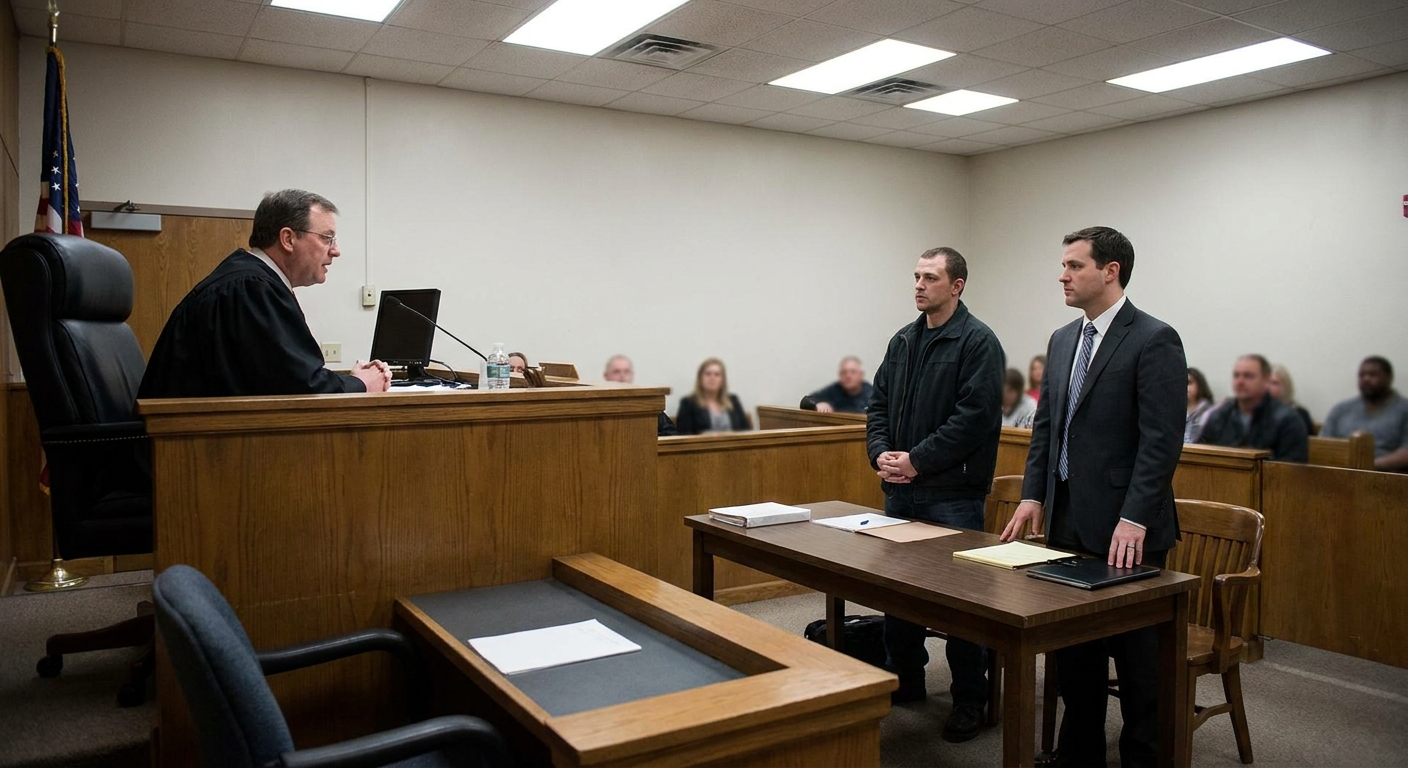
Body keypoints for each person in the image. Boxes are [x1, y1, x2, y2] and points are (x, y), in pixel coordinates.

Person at [1001, 227, 1186, 768]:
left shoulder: (1154, 338)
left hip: (1128, 530)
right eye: (1063, 265)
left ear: (1110, 271)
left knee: (1137, 662)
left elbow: (1160, 441)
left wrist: (1136, 517)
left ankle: (1143, 759)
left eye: (1074, 265)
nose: (1062, 275)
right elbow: (1047, 427)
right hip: (1066, 520)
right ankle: (1079, 755)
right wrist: (1033, 494)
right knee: (1075, 655)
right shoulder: (1063, 339)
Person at [866, 246, 1004, 742]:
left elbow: (973, 420)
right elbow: (878, 405)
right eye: (916, 276)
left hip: (951, 495)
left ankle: (969, 697)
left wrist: (916, 460)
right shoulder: (903, 339)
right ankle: (907, 680)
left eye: (930, 277)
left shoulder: (977, 341)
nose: (919, 285)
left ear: (957, 285)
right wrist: (882, 454)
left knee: (960, 602)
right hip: (901, 491)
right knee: (899, 593)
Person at [140, 189, 390, 398]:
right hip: (188, 438)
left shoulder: (250, 281)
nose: (336, 251)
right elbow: (299, 389)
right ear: (288, 239)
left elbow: (285, 376)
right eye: (327, 238)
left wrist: (352, 380)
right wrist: (362, 384)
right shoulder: (250, 288)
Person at [1198, 355, 1308, 462]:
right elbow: (1201, 455)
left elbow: (1291, 466)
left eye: (1248, 376)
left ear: (1266, 380)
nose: (1240, 382)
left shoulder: (1288, 420)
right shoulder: (1220, 415)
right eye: (1236, 375)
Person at [1322, 356, 1408, 472]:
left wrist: (1366, 466)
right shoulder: (1341, 409)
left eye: (1373, 375)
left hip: (1388, 476)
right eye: (1361, 375)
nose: (1366, 379)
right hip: (1340, 472)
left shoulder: (1404, 409)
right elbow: (1323, 444)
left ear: (1389, 377)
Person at [603, 354, 677, 436]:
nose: (622, 376)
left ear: (632, 375)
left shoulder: (646, 404)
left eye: (626, 371)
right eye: (616, 372)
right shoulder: (599, 405)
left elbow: (670, 433)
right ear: (606, 376)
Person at [675, 358, 749, 435]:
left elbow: (745, 430)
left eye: (717, 374)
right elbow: (684, 434)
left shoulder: (733, 401)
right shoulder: (688, 403)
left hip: (734, 442)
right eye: (708, 374)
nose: (712, 378)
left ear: (723, 380)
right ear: (700, 378)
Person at [807, 356, 873, 413]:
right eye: (844, 372)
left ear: (861, 375)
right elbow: (807, 401)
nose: (848, 376)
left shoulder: (872, 394)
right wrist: (817, 404)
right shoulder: (834, 390)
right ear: (839, 375)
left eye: (853, 372)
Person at [1267, 364, 1314, 435]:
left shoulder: (1299, 414)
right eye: (1266, 382)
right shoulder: (1256, 412)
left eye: (1274, 383)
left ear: (1285, 386)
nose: (1268, 387)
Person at [1185, 367, 1215, 443]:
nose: (1185, 386)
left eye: (1189, 383)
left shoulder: (1209, 411)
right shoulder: (1174, 409)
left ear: (1200, 385)